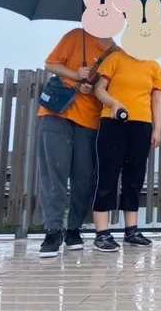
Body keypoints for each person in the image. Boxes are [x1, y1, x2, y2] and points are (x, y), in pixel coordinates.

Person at [37, 28, 115, 258]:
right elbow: (50, 64)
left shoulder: (115, 52)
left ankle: (73, 229)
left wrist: (90, 87)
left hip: (90, 119)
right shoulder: (76, 36)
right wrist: (74, 73)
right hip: (56, 114)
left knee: (84, 177)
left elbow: (110, 88)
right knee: (54, 175)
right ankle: (52, 231)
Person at [91, 48, 161, 252]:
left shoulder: (154, 65)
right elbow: (99, 89)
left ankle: (131, 230)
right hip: (113, 121)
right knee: (107, 174)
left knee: (134, 177)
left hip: (142, 125)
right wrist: (114, 103)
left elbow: (157, 100)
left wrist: (157, 129)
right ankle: (102, 233)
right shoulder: (115, 58)